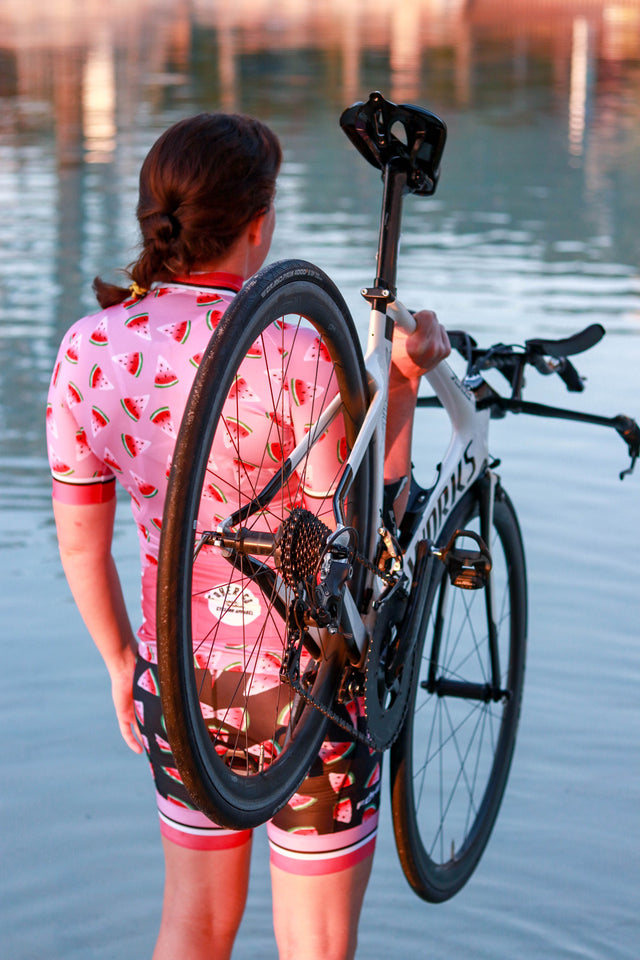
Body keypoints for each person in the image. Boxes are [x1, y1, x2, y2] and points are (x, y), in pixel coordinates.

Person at [46, 112, 450, 960]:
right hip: (304, 684)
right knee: (315, 946)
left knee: (191, 928)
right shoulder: (298, 348)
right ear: (260, 225)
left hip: (182, 681)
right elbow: (361, 530)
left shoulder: (86, 351)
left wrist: (124, 662)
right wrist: (402, 387)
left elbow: (81, 543)